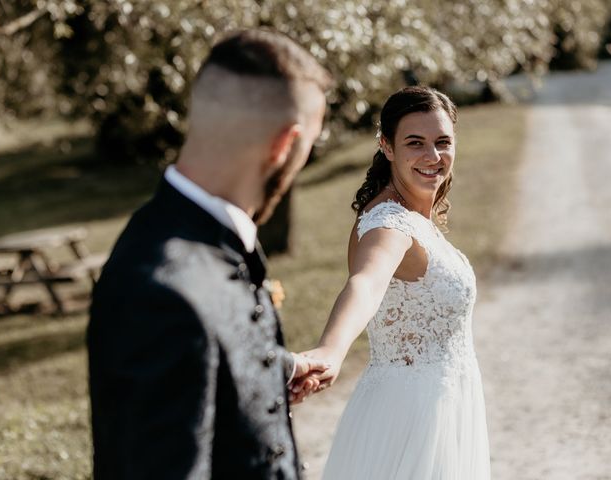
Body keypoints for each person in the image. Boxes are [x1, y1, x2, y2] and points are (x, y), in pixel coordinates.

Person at [87, 29, 333, 479]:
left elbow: (198, 357)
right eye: (307, 148)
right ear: (283, 146)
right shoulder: (160, 292)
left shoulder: (189, 237)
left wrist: (279, 367)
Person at [301, 86, 491, 478]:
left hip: (441, 405)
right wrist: (331, 350)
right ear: (387, 146)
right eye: (415, 143)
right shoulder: (389, 224)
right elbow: (365, 283)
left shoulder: (410, 215)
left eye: (443, 142)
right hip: (412, 417)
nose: (433, 157)